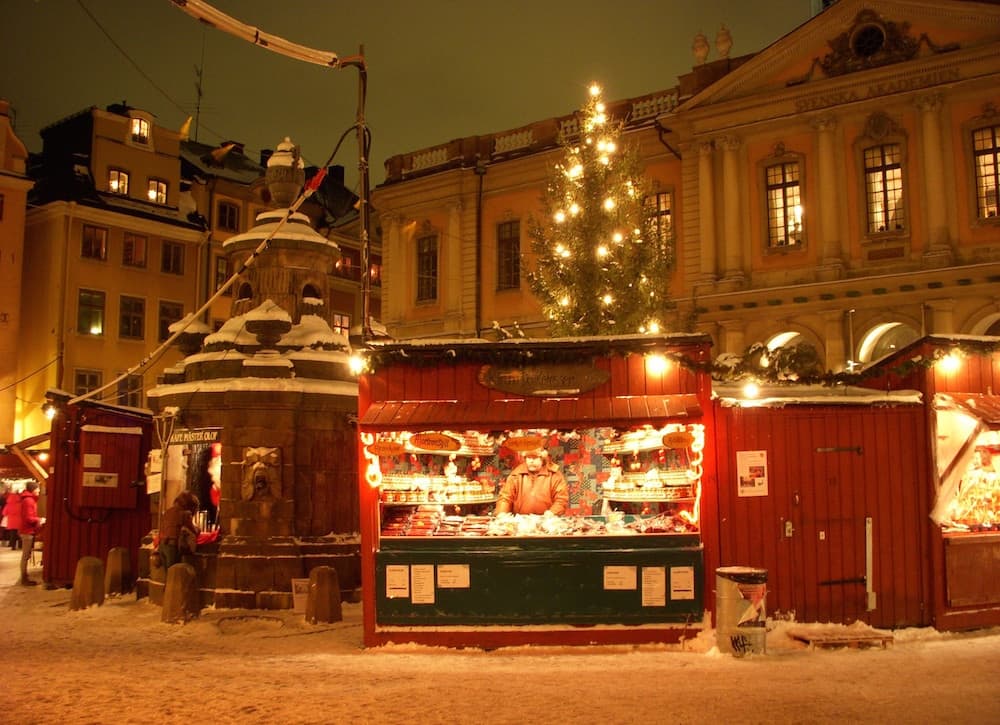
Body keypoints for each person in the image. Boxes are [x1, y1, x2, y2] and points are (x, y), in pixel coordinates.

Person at [495, 447, 569, 516]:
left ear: (543, 459)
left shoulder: (555, 476)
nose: (531, 461)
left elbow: (561, 499)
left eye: (535, 458)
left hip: (547, 522)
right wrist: (502, 514)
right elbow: (505, 497)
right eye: (528, 457)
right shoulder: (516, 475)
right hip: (521, 523)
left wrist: (551, 513)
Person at [158, 490, 200, 570]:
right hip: (171, 547)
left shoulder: (167, 512)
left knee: (168, 576)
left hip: (162, 546)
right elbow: (194, 530)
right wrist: (198, 529)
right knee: (174, 575)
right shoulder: (185, 513)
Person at [18, 481, 41, 586]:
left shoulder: (28, 500)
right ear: (33, 489)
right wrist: (39, 520)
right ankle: (24, 578)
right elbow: (28, 518)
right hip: (27, 531)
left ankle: (24, 576)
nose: (39, 490)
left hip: (27, 530)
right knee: (25, 555)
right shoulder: (29, 501)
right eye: (37, 489)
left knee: (26, 555)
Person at [3, 485, 23, 549]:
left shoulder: (8, 505)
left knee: (12, 534)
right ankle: (20, 546)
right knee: (20, 534)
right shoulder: (20, 504)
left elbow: (4, 513)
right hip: (19, 521)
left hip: (11, 521)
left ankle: (13, 546)